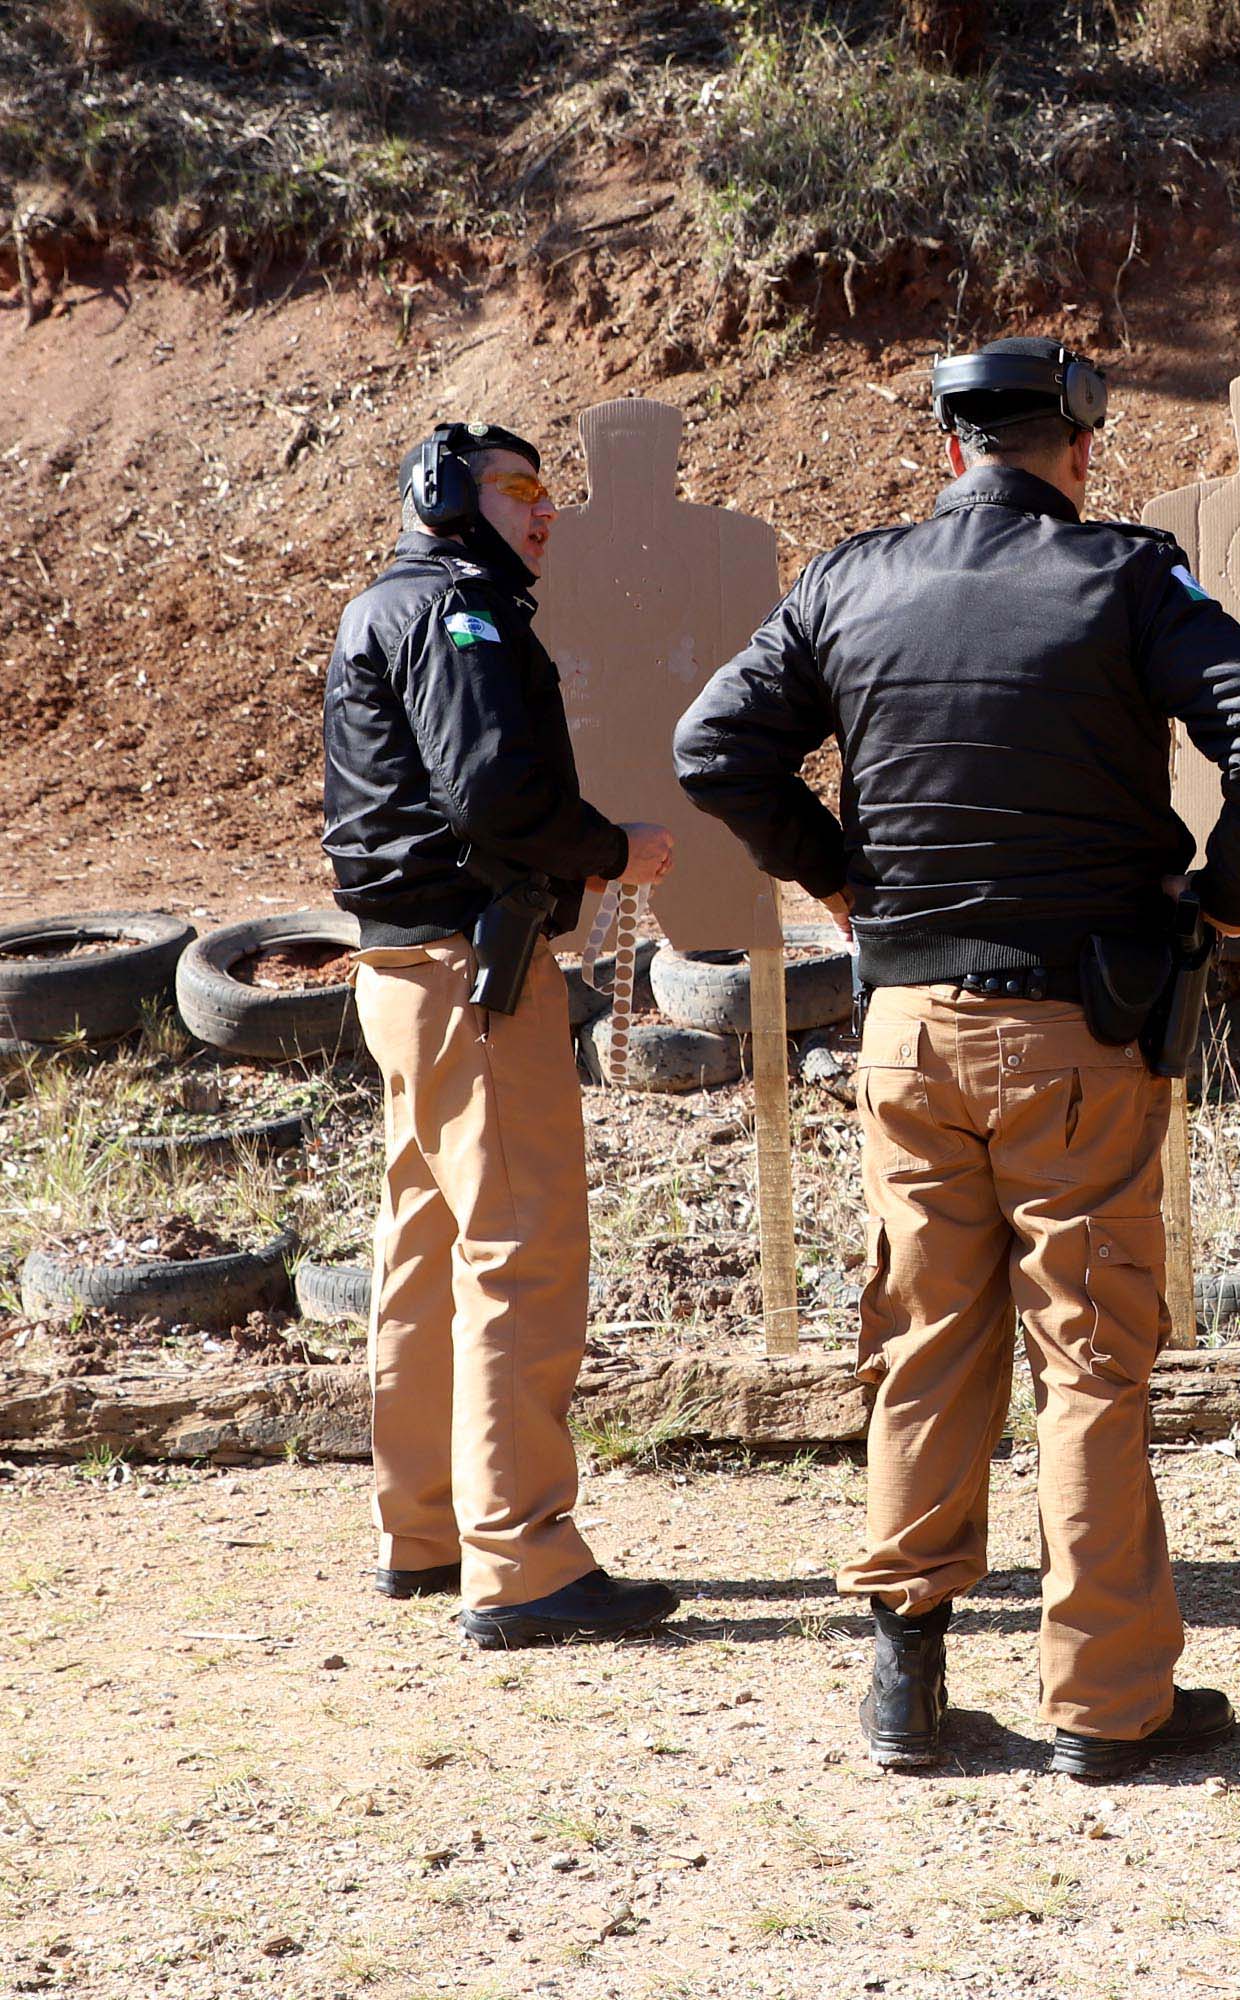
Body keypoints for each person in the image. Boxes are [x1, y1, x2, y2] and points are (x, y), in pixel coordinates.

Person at [674, 338, 1240, 1778]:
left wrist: (837, 878)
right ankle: (1104, 1703)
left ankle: (905, 1682)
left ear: (949, 450)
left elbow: (714, 744)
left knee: (922, 1338)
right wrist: (1218, 903)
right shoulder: (1128, 578)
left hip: (903, 1027)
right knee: (1089, 1355)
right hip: (1076, 1029)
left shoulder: (853, 579)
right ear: (1078, 449)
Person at [322, 421, 682, 1648]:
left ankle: (425, 1525)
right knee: (517, 1251)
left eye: (546, 490)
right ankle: (521, 1556)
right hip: (475, 974)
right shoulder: (461, 612)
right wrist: (611, 849)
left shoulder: (392, 604)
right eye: (521, 489)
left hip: (405, 967)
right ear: (449, 497)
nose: (545, 511)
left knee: (424, 1245)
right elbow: (495, 792)